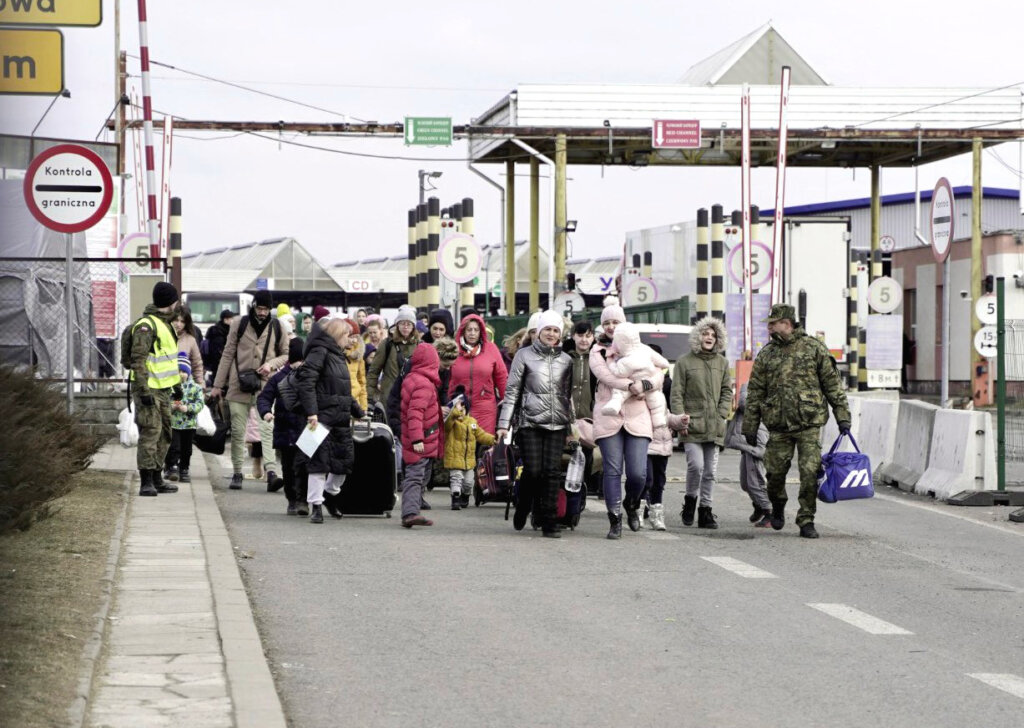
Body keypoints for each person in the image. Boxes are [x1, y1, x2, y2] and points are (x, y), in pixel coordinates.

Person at [742, 303, 852, 539]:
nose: (770, 327)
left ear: (787, 323)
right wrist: (750, 425)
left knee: (810, 471)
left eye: (774, 323)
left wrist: (842, 416)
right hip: (778, 425)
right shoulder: (767, 354)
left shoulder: (814, 349)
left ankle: (806, 519)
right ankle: (778, 505)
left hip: (809, 423)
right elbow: (755, 392)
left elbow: (832, 386)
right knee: (774, 473)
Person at [497, 310, 575, 538]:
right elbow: (512, 391)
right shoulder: (524, 356)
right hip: (529, 422)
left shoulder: (566, 360)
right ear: (538, 332)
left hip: (557, 424)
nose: (551, 334)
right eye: (547, 329)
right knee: (533, 470)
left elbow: (566, 396)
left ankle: (548, 520)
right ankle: (523, 505)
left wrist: (571, 428)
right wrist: (504, 423)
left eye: (555, 330)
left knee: (551, 472)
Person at [589, 303, 661, 539]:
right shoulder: (597, 350)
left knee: (639, 473)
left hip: (638, 414)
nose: (611, 326)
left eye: (615, 322)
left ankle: (632, 504)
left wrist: (645, 385)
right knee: (612, 469)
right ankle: (614, 519)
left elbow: (660, 371)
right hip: (608, 413)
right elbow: (606, 376)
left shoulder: (641, 347)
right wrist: (630, 385)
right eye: (607, 322)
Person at [211, 290, 289, 491]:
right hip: (239, 384)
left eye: (266, 309)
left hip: (265, 385)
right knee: (237, 430)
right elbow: (228, 354)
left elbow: (286, 354)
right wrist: (218, 385)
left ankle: (271, 471)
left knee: (267, 428)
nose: (262, 312)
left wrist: (271, 365)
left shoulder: (277, 326)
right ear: (253, 306)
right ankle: (237, 472)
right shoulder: (240, 323)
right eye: (259, 308)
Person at [295, 318, 365, 524]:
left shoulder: (338, 356)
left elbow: (343, 391)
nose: (351, 340)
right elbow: (306, 382)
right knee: (317, 464)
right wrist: (311, 412)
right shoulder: (321, 352)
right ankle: (316, 504)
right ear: (337, 336)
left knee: (343, 464)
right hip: (320, 419)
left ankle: (328, 495)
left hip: (340, 418)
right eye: (347, 336)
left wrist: (358, 411)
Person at [670, 316, 732, 529]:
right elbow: (676, 393)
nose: (709, 338)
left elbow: (727, 391)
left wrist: (722, 414)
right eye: (705, 334)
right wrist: (680, 419)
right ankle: (689, 502)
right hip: (692, 425)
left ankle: (705, 510)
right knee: (696, 466)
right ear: (698, 336)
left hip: (715, 426)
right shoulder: (684, 362)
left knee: (710, 472)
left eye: (713, 335)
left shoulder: (723, 363)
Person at [129, 281, 182, 497]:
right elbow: (138, 360)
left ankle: (158, 476)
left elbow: (168, 361)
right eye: (175, 300)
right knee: (150, 433)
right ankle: (146, 481)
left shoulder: (166, 324)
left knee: (165, 433)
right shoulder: (146, 325)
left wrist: (176, 385)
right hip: (148, 390)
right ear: (170, 302)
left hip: (163, 389)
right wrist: (143, 391)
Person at [258, 338, 310, 517]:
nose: (299, 365)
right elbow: (264, 398)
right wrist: (266, 412)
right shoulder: (279, 377)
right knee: (288, 467)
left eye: (302, 361)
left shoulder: (310, 376)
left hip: (305, 428)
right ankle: (292, 500)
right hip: (285, 428)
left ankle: (303, 499)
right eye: (297, 361)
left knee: (303, 466)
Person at [400, 343, 444, 528]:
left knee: (419, 475)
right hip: (421, 439)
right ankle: (410, 513)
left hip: (416, 437)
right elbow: (415, 412)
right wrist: (418, 439)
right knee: (415, 476)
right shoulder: (424, 384)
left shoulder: (412, 378)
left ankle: (413, 507)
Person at [449, 313, 507, 436]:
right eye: (469, 329)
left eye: (476, 330)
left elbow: (501, 377)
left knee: (483, 447)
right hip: (458, 408)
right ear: (462, 331)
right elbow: (444, 378)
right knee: (459, 448)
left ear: (481, 332)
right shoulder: (453, 350)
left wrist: (506, 404)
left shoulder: (491, 349)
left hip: (485, 409)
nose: (472, 333)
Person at [725, 381, 772, 527]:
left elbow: (747, 405)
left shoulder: (778, 386)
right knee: (745, 483)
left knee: (756, 481)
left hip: (758, 440)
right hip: (747, 438)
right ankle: (759, 505)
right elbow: (744, 402)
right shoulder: (751, 384)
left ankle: (769, 511)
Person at [443, 389, 495, 511]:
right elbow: (447, 425)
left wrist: (493, 439)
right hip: (455, 459)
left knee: (468, 483)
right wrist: (454, 411)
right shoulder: (451, 422)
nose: (460, 412)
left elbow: (481, 435)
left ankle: (465, 496)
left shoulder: (472, 422)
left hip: (469, 461)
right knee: (456, 479)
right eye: (458, 410)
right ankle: (455, 499)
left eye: (463, 410)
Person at [563, 320, 597, 492]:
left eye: (588, 336)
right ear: (573, 336)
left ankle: (583, 490)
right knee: (566, 456)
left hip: (589, 416)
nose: (584, 339)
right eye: (580, 335)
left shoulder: (599, 358)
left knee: (588, 455)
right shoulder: (565, 357)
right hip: (566, 416)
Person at [366, 304, 420, 406]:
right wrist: (369, 396)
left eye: (409, 324)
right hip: (389, 397)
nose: (405, 327)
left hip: (412, 397)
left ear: (413, 326)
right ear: (397, 325)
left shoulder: (420, 345)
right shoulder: (387, 344)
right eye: (402, 323)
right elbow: (374, 371)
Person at [163, 353, 205, 484]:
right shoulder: (170, 387)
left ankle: (184, 468)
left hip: (189, 424)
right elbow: (165, 402)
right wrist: (172, 406)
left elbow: (200, 403)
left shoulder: (195, 388)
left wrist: (188, 408)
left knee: (187, 449)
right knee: (174, 446)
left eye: (183, 371)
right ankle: (172, 467)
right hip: (174, 423)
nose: (181, 374)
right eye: (178, 371)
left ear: (188, 373)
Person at [169, 305, 204, 386]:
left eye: (182, 321)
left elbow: (197, 365)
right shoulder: (162, 335)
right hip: (163, 385)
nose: (178, 324)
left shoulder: (190, 340)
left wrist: (200, 386)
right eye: (176, 320)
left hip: (184, 386)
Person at [203, 309, 235, 387]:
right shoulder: (219, 333)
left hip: (219, 364)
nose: (232, 321)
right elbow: (218, 352)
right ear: (225, 319)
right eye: (231, 319)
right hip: (219, 365)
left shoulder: (224, 330)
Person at [342, 318, 368, 411]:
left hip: (355, 404)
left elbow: (362, 383)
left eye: (356, 337)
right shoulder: (335, 354)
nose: (353, 340)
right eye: (350, 336)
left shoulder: (358, 355)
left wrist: (363, 408)